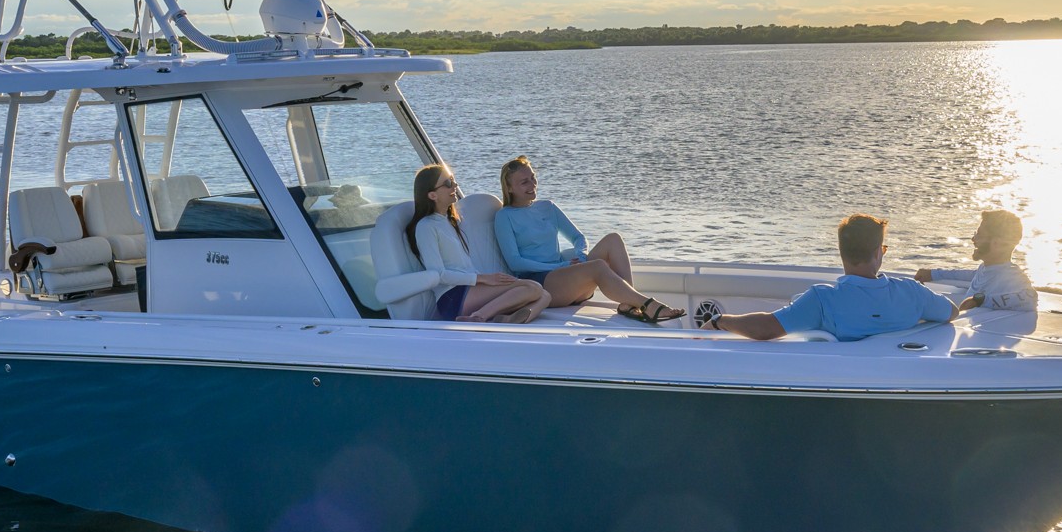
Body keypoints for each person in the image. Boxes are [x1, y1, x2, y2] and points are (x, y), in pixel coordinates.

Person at [696, 213, 957, 341]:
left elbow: (767, 328)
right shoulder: (912, 292)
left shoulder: (822, 300)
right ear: (878, 252)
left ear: (842, 252)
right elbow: (951, 312)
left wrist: (721, 320)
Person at [493, 156, 681, 325]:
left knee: (613, 240)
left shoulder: (547, 207)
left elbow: (578, 237)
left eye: (533, 177)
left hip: (566, 279)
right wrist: (560, 266)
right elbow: (515, 263)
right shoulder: (504, 216)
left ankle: (628, 304)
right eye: (524, 182)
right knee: (598, 266)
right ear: (509, 188)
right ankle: (648, 305)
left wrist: (581, 254)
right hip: (540, 284)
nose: (532, 184)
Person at [407, 164, 549, 323]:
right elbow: (438, 275)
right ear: (432, 195)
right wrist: (481, 278)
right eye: (448, 183)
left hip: (470, 290)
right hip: (452, 297)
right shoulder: (426, 226)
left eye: (453, 180)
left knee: (545, 294)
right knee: (532, 288)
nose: (455, 185)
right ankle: (477, 317)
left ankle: (507, 320)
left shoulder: (449, 221)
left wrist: (484, 280)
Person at [958, 209, 1038, 312]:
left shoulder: (1011, 275)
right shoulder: (984, 268)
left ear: (996, 243)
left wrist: (979, 301)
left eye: (979, 235)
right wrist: (937, 273)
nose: (973, 239)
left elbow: (1031, 298)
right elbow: (970, 274)